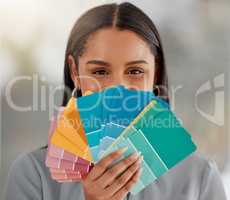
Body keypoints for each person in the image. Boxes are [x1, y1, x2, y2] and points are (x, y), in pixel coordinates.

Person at [5, 2, 227, 200]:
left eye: (136, 70)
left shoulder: (200, 178)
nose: (117, 90)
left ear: (155, 74)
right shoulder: (32, 175)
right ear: (75, 72)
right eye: (100, 71)